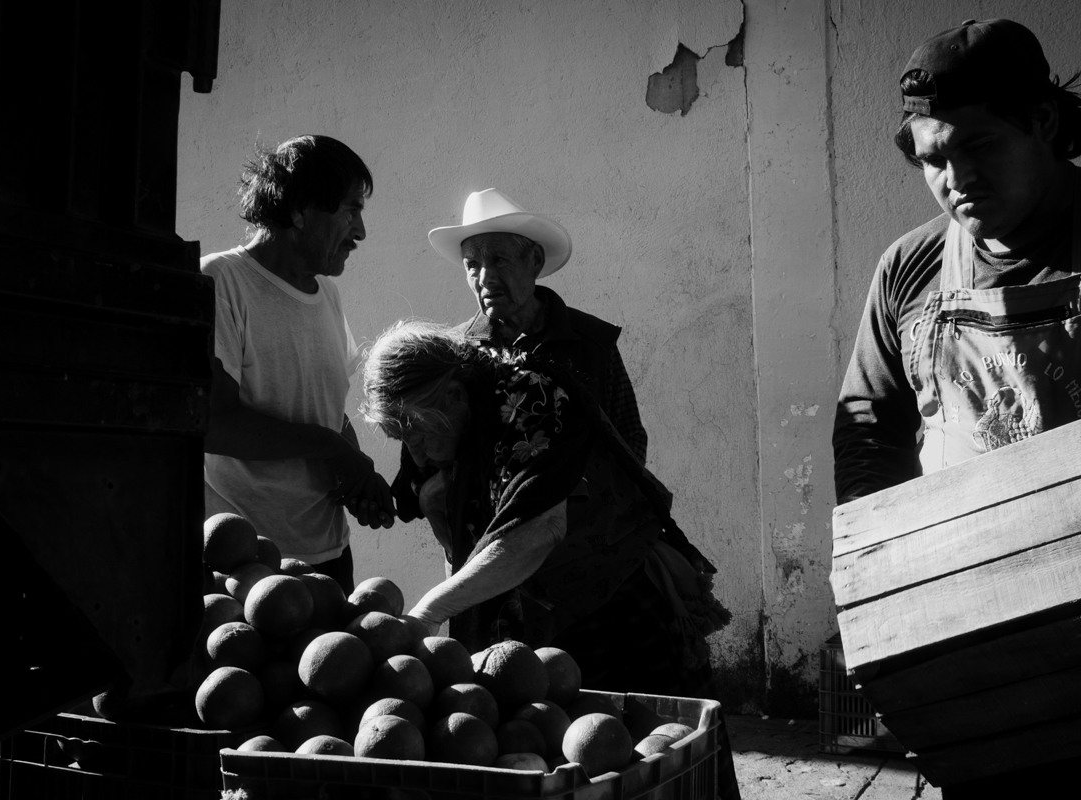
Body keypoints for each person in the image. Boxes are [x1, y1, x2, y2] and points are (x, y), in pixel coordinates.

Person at [833, 19, 1081, 798]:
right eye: (933, 158)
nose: (954, 179)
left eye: (979, 147)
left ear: (1043, 123)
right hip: (989, 643)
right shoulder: (910, 270)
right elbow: (870, 440)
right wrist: (889, 608)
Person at [361, 321, 739, 800]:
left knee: (657, 765)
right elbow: (437, 508)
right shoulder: (440, 421)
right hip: (538, 624)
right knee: (576, 773)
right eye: (399, 435)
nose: (412, 450)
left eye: (413, 431)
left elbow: (536, 531)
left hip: (612, 602)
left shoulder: (528, 397)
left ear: (455, 394)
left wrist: (428, 613)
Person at [201, 135, 394, 592]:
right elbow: (213, 423)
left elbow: (323, 407)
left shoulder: (327, 293)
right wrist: (334, 449)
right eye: (350, 209)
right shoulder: (221, 283)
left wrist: (355, 472)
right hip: (245, 563)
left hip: (328, 555)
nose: (361, 231)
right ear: (298, 210)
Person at [390, 188, 649, 521]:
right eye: (472, 265)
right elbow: (423, 458)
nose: (484, 278)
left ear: (535, 261)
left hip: (586, 527)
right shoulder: (454, 353)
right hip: (488, 534)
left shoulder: (592, 343)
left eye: (498, 259)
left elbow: (628, 440)